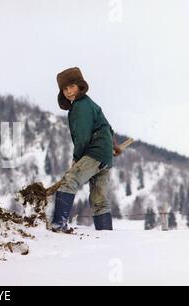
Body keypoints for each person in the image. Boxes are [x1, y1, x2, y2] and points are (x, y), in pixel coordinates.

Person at [52, 67, 122, 232]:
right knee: (99, 198)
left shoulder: (81, 106)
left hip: (94, 152)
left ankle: (58, 225)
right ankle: (105, 233)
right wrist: (112, 146)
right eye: (65, 89)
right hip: (104, 156)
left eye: (72, 86)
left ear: (80, 86)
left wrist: (76, 158)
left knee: (70, 180)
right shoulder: (90, 104)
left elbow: (82, 136)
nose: (69, 92)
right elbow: (107, 128)